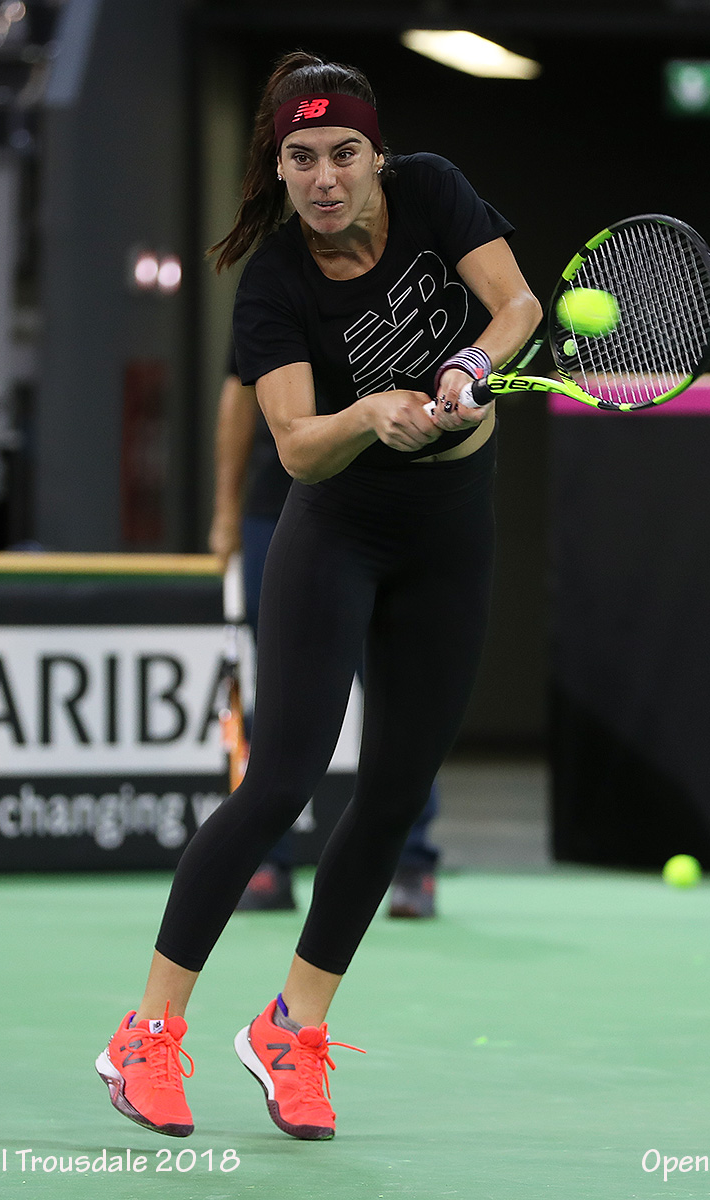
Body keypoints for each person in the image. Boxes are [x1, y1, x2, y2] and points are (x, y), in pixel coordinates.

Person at [96, 50, 540, 1143]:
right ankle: (146, 1034)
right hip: (337, 531)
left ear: (377, 155)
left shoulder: (432, 190)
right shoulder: (276, 284)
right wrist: (369, 413)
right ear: (280, 167)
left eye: (344, 152)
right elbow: (296, 446)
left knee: (392, 796)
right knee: (280, 782)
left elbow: (517, 305)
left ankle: (293, 1029)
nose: (326, 176)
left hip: (451, 533)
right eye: (302, 158)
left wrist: (468, 367)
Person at [209, 358, 442, 917]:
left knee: (399, 690)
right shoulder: (269, 305)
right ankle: (268, 864)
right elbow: (238, 397)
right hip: (278, 510)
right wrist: (225, 512)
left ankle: (411, 862)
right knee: (282, 693)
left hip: (386, 507)